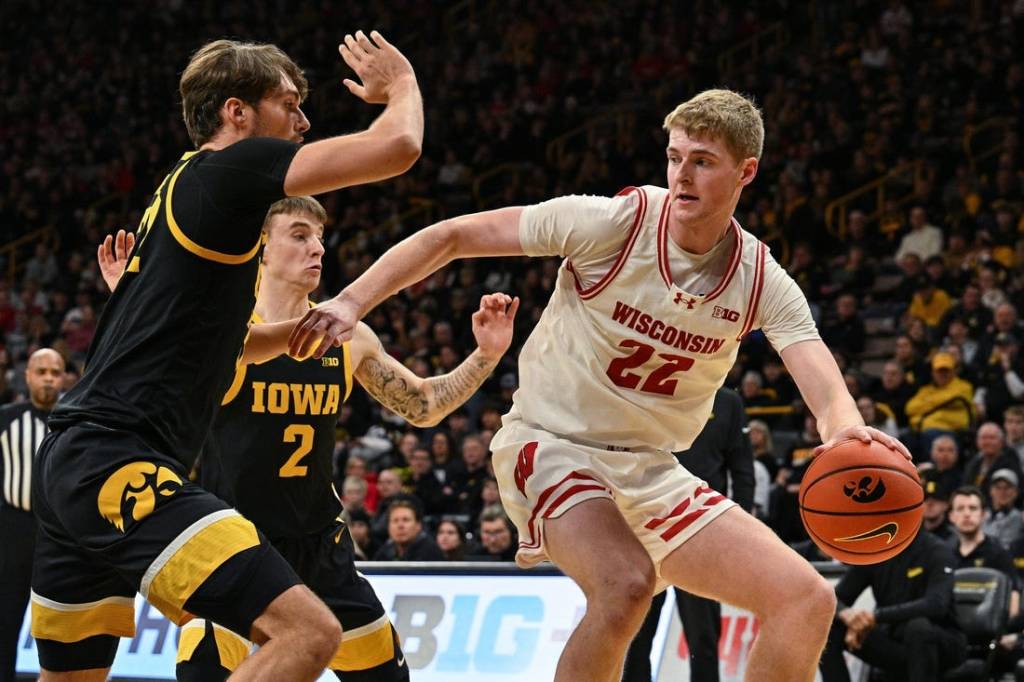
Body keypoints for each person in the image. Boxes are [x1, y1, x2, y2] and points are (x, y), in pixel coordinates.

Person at [292, 88, 911, 681]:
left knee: (805, 599)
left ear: (746, 173)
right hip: (550, 445)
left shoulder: (758, 278)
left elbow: (822, 382)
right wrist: (349, 302)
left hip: (651, 468)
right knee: (625, 584)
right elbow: (452, 236)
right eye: (674, 158)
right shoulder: (613, 224)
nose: (682, 175)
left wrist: (848, 434)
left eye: (703, 162)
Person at [31, 32, 423, 682]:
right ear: (236, 112)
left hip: (73, 464)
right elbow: (399, 148)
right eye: (289, 103)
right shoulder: (228, 171)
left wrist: (298, 331)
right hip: (117, 461)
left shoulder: (188, 196)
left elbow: (224, 343)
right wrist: (402, 83)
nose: (303, 122)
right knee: (307, 632)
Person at [99, 195, 516, 679]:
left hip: (319, 547)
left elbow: (422, 406)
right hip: (236, 544)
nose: (317, 247)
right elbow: (143, 381)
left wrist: (486, 355)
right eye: (299, 235)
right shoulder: (220, 331)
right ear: (262, 248)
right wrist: (132, 314)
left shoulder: (346, 336)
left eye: (320, 237)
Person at [622, 386, 755, 682]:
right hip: (646, 526)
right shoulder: (652, 390)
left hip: (702, 530)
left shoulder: (728, 401)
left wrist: (738, 529)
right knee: (635, 636)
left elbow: (742, 470)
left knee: (703, 637)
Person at [818, 530, 966, 682]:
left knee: (918, 627)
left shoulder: (937, 550)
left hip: (942, 642)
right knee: (828, 628)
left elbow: (936, 605)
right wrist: (848, 616)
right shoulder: (875, 552)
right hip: (895, 641)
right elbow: (833, 599)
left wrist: (875, 616)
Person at [0, 349, 64, 682]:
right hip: (13, 531)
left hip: (59, 537)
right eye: (41, 371)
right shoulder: (6, 419)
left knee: (60, 628)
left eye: (55, 371)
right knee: (4, 621)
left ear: (66, 377)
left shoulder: (75, 422)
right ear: (27, 376)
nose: (49, 378)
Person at [372, 499, 445, 561]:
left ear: (418, 525)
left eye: (406, 520)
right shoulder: (384, 552)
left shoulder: (431, 552)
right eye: (395, 521)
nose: (400, 525)